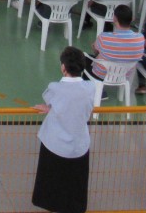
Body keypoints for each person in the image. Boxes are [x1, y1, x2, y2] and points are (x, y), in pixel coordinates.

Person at [31, 46, 95, 213]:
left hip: (55, 145)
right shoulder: (90, 88)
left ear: (63, 67)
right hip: (79, 146)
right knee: (75, 183)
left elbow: (53, 101)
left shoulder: (54, 87)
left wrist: (50, 108)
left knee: (52, 181)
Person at [90, 4, 144, 80]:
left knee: (87, 60)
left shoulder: (104, 37)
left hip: (102, 74)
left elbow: (95, 50)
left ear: (114, 18)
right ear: (132, 19)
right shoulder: (140, 38)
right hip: (124, 75)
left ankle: (94, 89)